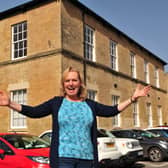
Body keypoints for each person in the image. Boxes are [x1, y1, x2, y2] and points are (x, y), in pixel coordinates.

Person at [0, 67, 151, 168]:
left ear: (80, 83)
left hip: (87, 159)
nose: (71, 84)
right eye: (67, 80)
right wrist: (10, 103)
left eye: (74, 80)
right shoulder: (56, 103)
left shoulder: (89, 104)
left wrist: (132, 99)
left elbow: (111, 110)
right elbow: (34, 112)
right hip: (63, 158)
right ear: (63, 84)